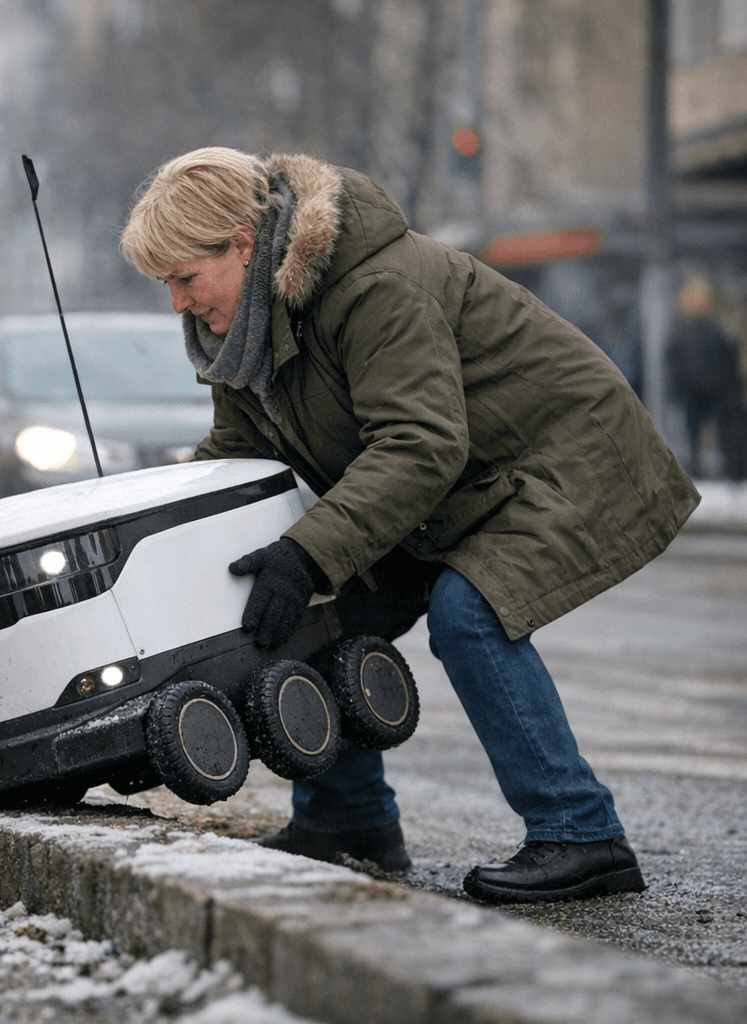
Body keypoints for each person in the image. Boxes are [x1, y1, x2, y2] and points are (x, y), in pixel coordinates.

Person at [118, 148, 698, 904]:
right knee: (311, 613)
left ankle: (581, 835)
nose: (175, 304)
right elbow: (235, 457)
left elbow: (421, 443)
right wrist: (158, 535)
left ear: (242, 242)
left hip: (557, 454)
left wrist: (310, 552)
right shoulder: (243, 333)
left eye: (184, 279)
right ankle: (350, 821)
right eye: (164, 285)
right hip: (453, 487)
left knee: (468, 611)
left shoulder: (374, 286)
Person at [666, 276, 747, 481]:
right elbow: (728, 359)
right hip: (708, 391)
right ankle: (721, 469)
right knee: (710, 433)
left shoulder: (685, 332)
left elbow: (673, 362)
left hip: (701, 391)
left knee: (701, 433)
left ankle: (706, 468)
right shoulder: (711, 330)